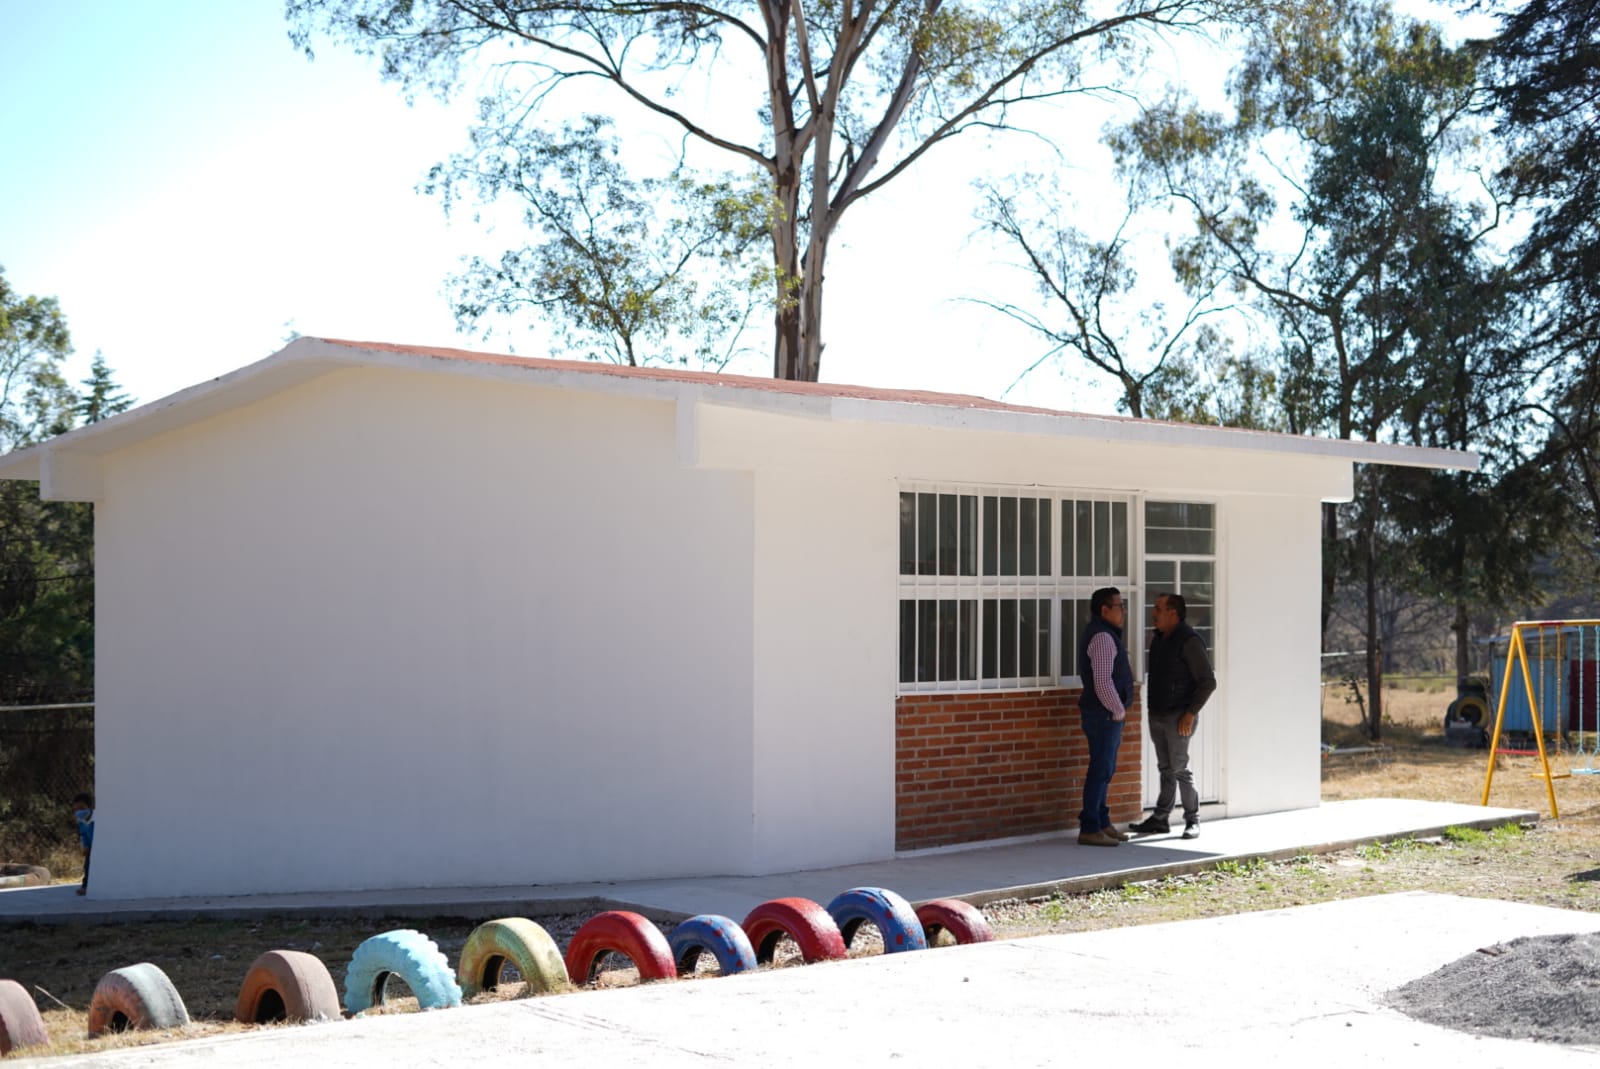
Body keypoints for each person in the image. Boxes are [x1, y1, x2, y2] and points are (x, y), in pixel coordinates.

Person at [1130, 593, 1216, 840]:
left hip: (1179, 715)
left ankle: (1193, 820)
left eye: (1158, 608)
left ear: (1173, 613)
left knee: (1179, 768)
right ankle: (1160, 819)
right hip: (1157, 713)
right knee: (1165, 768)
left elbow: (1208, 682)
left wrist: (1190, 714)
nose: (1153, 612)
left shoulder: (1189, 641)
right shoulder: (1158, 639)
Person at [1077, 587, 1132, 847]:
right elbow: (1102, 681)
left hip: (1105, 714)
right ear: (1104, 610)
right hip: (1103, 715)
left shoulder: (1107, 635)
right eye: (1119, 606)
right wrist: (1118, 710)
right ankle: (1090, 827)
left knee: (1105, 769)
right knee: (1100, 769)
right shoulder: (1102, 638)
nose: (1123, 612)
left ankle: (1102, 822)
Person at [71, 792, 94, 895]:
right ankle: (85, 886)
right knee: (87, 866)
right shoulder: (81, 821)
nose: (79, 812)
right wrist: (85, 846)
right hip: (90, 847)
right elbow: (83, 834)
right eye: (76, 810)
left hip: (98, 846)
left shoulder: (96, 820)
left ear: (91, 807)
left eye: (82, 808)